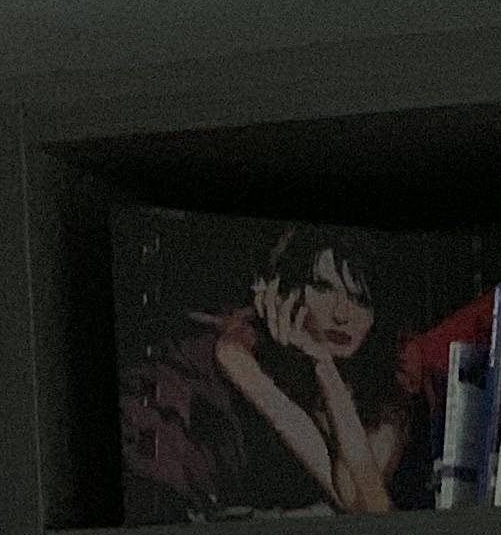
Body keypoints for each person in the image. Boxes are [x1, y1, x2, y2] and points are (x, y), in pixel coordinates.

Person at [120, 219, 468, 519]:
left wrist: (323, 366)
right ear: (289, 291)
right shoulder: (240, 349)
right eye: (323, 288)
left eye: (360, 299)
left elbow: (367, 502)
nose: (341, 314)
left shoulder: (393, 379)